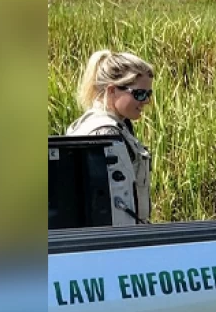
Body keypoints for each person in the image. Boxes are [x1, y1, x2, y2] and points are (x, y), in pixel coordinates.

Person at [65, 50, 155, 222]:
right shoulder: (107, 134)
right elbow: (118, 208)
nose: (146, 101)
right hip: (119, 241)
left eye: (148, 94)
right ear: (113, 90)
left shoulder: (89, 125)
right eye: (140, 94)